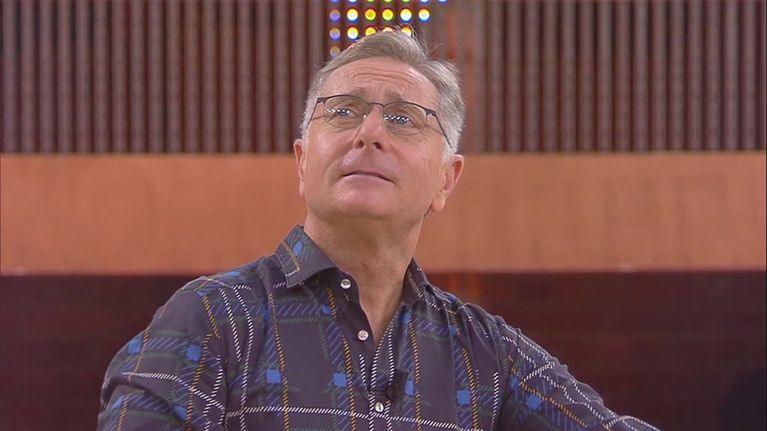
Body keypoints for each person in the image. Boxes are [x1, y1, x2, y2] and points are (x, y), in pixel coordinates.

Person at [98, 31, 657, 430]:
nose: (368, 132)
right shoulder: (213, 318)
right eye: (342, 111)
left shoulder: (486, 352)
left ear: (446, 179)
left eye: (402, 118)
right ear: (302, 162)